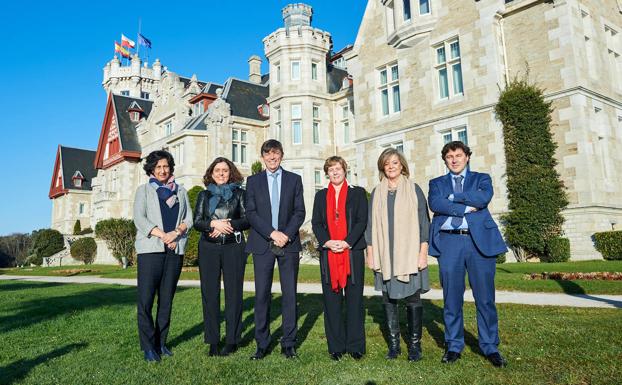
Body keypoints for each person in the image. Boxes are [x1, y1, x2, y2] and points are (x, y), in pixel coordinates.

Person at [428, 141, 508, 367]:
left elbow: (483, 199)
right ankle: (453, 346)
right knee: (451, 299)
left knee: (485, 299)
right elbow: (435, 203)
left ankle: (490, 346)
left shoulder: (482, 179)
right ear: (444, 160)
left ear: (467, 157)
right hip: (449, 242)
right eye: (449, 156)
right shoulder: (437, 183)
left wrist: (452, 198)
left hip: (478, 243)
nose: (454, 160)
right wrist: (463, 205)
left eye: (458, 155)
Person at [365, 148, 430, 362]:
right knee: (388, 299)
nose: (391, 166)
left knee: (413, 299)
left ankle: (414, 346)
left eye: (395, 162)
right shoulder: (377, 192)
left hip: (409, 253)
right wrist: (371, 254)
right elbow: (370, 226)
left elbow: (424, 224)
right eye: (387, 163)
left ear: (402, 165)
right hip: (386, 255)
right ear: (382, 167)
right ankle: (394, 345)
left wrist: (423, 254)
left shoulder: (414, 189)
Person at [245, 139, 305, 360]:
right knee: (262, 295)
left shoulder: (294, 180)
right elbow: (251, 213)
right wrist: (272, 233)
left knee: (289, 295)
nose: (272, 157)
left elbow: (300, 211)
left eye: (276, 153)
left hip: (288, 245)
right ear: (262, 157)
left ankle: (288, 343)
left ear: (282, 155)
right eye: (268, 154)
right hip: (263, 243)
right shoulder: (252, 181)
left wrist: (286, 234)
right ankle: (262, 344)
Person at [133, 150, 193, 362]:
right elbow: (139, 219)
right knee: (146, 301)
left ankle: (161, 343)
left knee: (166, 301)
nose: (162, 170)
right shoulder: (144, 191)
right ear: (151, 169)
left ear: (170, 168)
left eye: (165, 166)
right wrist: (163, 235)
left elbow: (189, 218)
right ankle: (148, 346)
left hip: (173, 252)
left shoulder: (181, 191)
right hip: (151, 252)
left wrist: (175, 234)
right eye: (157, 167)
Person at [311, 156, 368, 361]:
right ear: (327, 173)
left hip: (352, 252)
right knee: (331, 301)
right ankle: (335, 346)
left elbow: (362, 221)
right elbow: (316, 223)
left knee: (354, 300)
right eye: (331, 169)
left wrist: (347, 242)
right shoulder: (320, 196)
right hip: (329, 254)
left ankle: (355, 345)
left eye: (338, 168)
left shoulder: (358, 193)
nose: (335, 172)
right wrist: (327, 242)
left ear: (345, 170)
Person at [193, 157, 250, 357]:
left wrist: (228, 225)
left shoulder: (240, 193)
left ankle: (233, 340)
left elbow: (247, 219)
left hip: (233, 247)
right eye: (217, 170)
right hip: (209, 248)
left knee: (234, 295)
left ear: (231, 172)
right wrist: (212, 225)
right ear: (211, 173)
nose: (221, 174)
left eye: (225, 170)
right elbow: (197, 222)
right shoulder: (204, 195)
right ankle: (213, 341)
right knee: (210, 295)